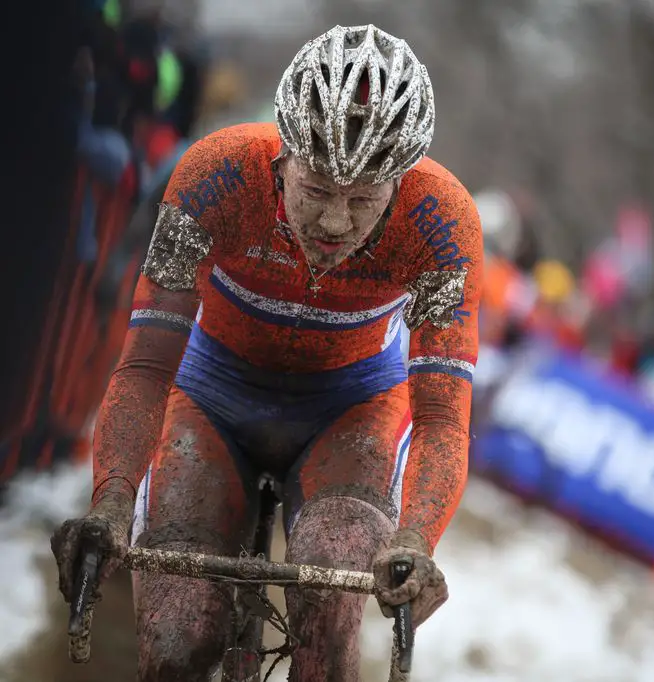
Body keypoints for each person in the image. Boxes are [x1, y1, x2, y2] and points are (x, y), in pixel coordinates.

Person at [51, 24, 481, 681]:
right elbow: (144, 367)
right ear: (282, 154)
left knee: (330, 618)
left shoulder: (444, 220)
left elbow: (443, 417)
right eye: (316, 190)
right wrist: (111, 502)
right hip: (211, 392)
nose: (335, 222)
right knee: (179, 645)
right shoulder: (214, 174)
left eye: (363, 200)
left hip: (352, 410)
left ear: (400, 182)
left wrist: (415, 542)